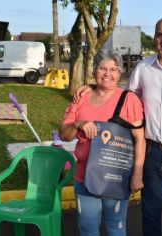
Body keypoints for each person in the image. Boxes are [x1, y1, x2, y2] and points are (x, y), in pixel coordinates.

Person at [75, 16, 162, 236]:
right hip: (151, 153)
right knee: (150, 215)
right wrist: (95, 86)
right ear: (155, 37)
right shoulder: (144, 68)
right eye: (160, 35)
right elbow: (123, 99)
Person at [60, 49, 145, 236]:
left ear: (120, 73)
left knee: (116, 227)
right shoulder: (81, 98)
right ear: (94, 71)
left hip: (116, 178)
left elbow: (139, 139)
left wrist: (137, 174)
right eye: (102, 68)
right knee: (88, 229)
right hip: (85, 178)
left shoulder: (129, 100)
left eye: (113, 69)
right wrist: (78, 124)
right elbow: (64, 135)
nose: (108, 74)